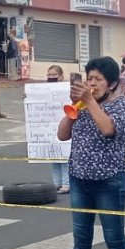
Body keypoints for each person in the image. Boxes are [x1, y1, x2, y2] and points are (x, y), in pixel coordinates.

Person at [55, 57, 125, 249]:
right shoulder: (83, 105)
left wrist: (89, 101)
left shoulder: (123, 106)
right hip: (79, 179)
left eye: (98, 80)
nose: (92, 84)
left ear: (112, 83)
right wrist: (73, 107)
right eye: (89, 79)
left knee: (115, 240)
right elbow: (62, 135)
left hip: (109, 181)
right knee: (81, 241)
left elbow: (109, 129)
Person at [45, 65, 71, 193]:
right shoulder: (44, 89)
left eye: (54, 74)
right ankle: (56, 184)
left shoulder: (67, 89)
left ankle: (66, 184)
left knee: (64, 158)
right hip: (49, 128)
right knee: (54, 158)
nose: (51, 77)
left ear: (61, 76)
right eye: (49, 75)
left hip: (64, 125)